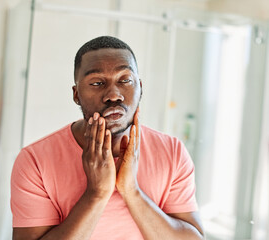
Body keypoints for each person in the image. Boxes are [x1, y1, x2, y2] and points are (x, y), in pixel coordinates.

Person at [11, 36, 204, 240]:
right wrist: (96, 194)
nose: (113, 94)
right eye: (97, 82)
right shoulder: (35, 160)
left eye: (125, 80)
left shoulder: (172, 152)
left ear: (140, 87)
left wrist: (132, 192)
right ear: (76, 94)